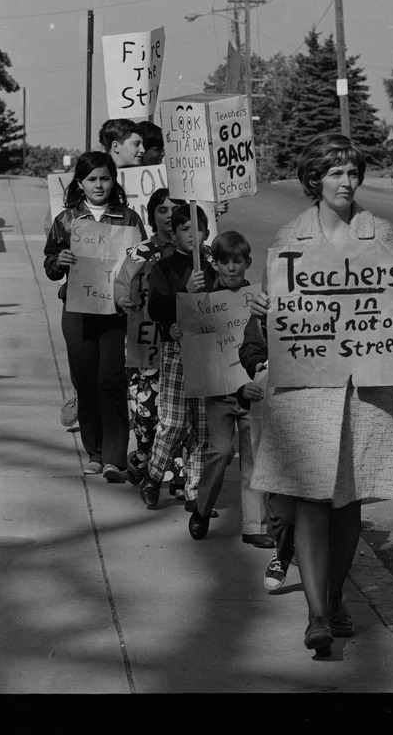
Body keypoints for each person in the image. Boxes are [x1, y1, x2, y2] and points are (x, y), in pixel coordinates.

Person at [248, 133, 393, 655]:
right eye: (335, 173)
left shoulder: (379, 232)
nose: (346, 182)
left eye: (352, 172)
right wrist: (263, 313)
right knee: (310, 496)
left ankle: (337, 595)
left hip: (362, 386)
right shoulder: (290, 236)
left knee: (349, 497)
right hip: (305, 387)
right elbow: (276, 329)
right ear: (314, 180)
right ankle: (318, 615)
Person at [43, 151, 146, 481]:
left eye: (104, 178)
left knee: (111, 380)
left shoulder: (128, 219)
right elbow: (50, 266)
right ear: (80, 183)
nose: (98, 184)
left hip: (114, 311)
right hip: (77, 311)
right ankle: (96, 452)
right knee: (85, 381)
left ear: (114, 180)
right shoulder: (67, 220)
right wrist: (59, 260)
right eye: (91, 179)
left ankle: (116, 456)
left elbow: (143, 262)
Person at [185, 231, 275, 549]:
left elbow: (265, 343)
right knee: (221, 452)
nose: (232, 268)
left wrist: (258, 379)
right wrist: (187, 300)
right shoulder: (206, 299)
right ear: (216, 264)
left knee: (253, 458)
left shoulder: (258, 299)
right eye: (224, 262)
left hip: (252, 391)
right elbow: (191, 335)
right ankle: (202, 508)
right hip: (220, 394)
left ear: (248, 262)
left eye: (238, 261)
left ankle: (254, 525)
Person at [139, 203, 215, 510]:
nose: (191, 235)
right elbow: (155, 309)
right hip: (176, 351)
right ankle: (154, 476)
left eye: (197, 229)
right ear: (175, 233)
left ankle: (195, 491)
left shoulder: (213, 268)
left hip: (208, 354)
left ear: (206, 233)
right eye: (184, 229)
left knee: (201, 426)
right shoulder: (166, 268)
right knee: (172, 421)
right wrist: (184, 291)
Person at [114, 187, 183, 487]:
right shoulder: (139, 253)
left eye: (174, 210)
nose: (169, 216)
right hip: (146, 348)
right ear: (152, 216)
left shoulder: (197, 254)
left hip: (184, 349)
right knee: (146, 413)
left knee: (182, 414)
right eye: (162, 210)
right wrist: (121, 300)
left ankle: (183, 477)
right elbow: (120, 283)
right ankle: (143, 453)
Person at [238, 314, 296, 585]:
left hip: (323, 398)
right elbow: (252, 344)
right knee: (277, 479)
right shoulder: (268, 303)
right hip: (276, 394)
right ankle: (283, 552)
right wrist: (260, 365)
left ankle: (329, 600)